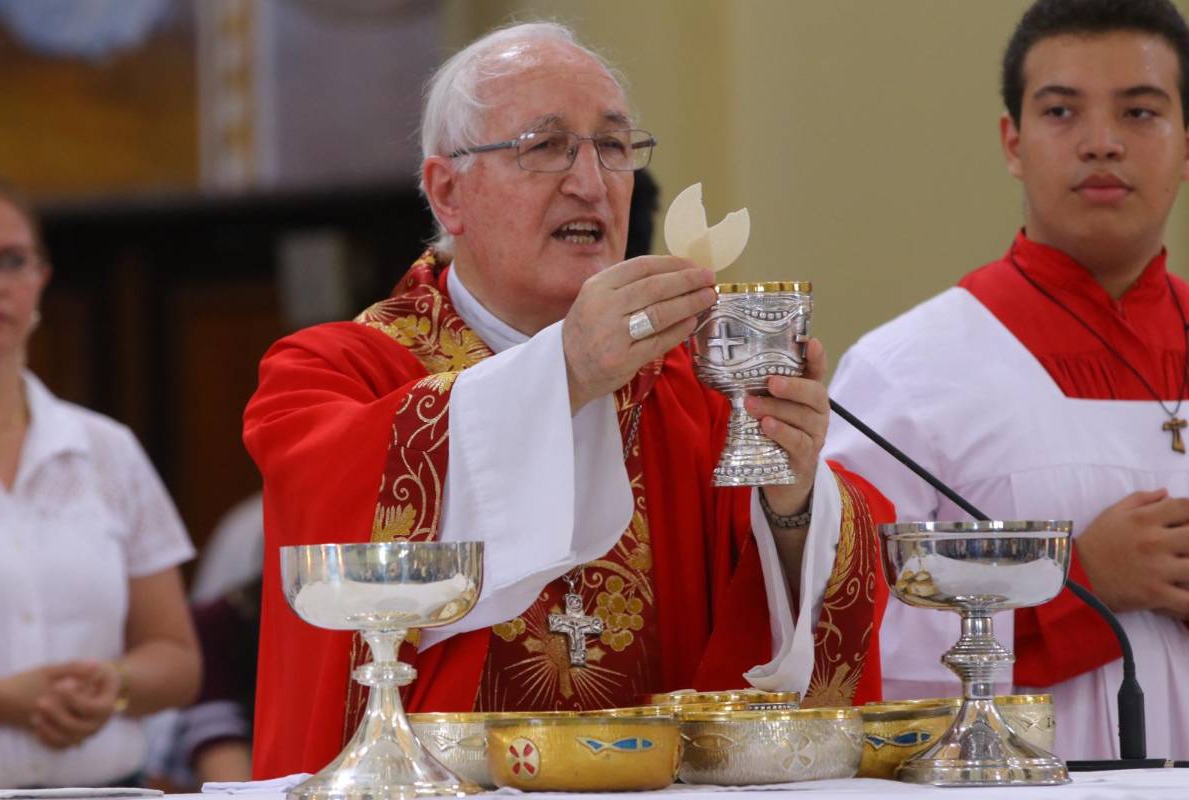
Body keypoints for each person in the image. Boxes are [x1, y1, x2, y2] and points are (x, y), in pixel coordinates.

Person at [244, 22, 894, 778]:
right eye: (545, 146)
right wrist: (568, 373)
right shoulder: (333, 373)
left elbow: (789, 628)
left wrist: (791, 498)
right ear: (447, 191)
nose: (590, 181)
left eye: (613, 147)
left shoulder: (691, 387)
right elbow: (338, 535)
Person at [825, 0, 1189, 761]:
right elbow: (849, 639)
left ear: (1186, 144)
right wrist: (1082, 585)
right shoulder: (907, 376)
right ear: (1013, 143)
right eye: (1062, 111)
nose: (1101, 143)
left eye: (1140, 111)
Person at [0, 175, 201, 786]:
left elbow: (178, 659)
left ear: (41, 279)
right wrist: (7, 700)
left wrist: (116, 685)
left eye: (12, 261)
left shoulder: (107, 450)